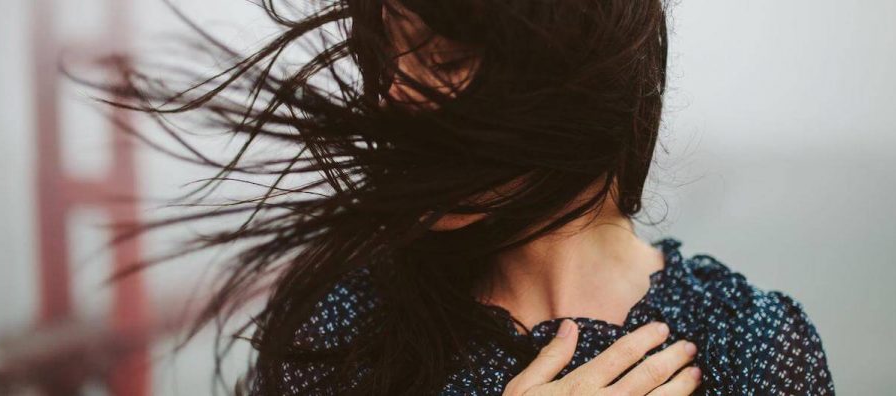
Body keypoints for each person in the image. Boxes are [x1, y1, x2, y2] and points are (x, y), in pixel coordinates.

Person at [93, 0, 834, 394]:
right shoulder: (339, 329)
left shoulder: (755, 346)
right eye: (388, 61)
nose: (391, 95)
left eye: (442, 59)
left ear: (575, 70)